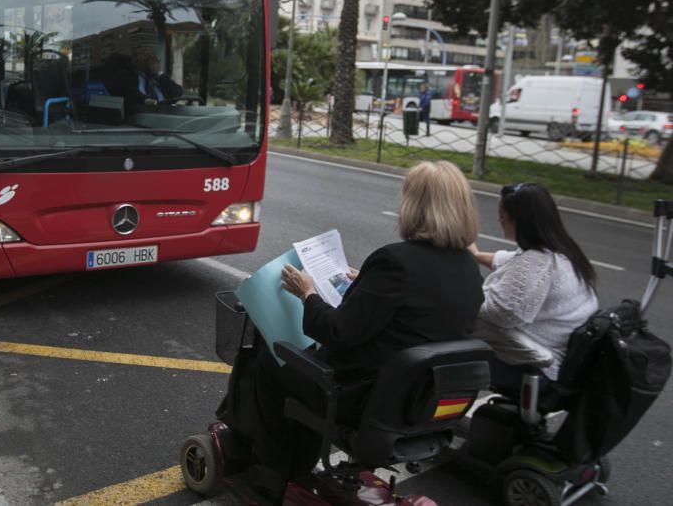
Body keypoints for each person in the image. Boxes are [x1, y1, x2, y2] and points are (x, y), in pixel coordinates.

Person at [220, 160, 484, 501]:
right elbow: (417, 314)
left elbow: (338, 332)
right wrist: (366, 285)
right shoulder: (467, 267)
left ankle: (270, 474)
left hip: (365, 398)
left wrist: (308, 293)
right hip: (425, 398)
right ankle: (293, 463)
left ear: (413, 207)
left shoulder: (395, 262)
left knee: (272, 364)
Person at [470, 182, 598, 392]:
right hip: (563, 364)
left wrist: (457, 295)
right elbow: (510, 261)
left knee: (443, 355)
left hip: (537, 371)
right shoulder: (562, 251)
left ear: (519, 221)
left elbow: (500, 313)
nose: (499, 220)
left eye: (502, 216)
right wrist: (475, 255)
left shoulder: (536, 262)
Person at [113, 45, 182, 113]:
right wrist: (146, 100)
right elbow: (130, 93)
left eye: (153, 59)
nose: (151, 62)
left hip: (164, 115)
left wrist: (159, 74)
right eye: (147, 58)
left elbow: (177, 93)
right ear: (137, 61)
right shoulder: (129, 77)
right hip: (141, 115)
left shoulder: (160, 79)